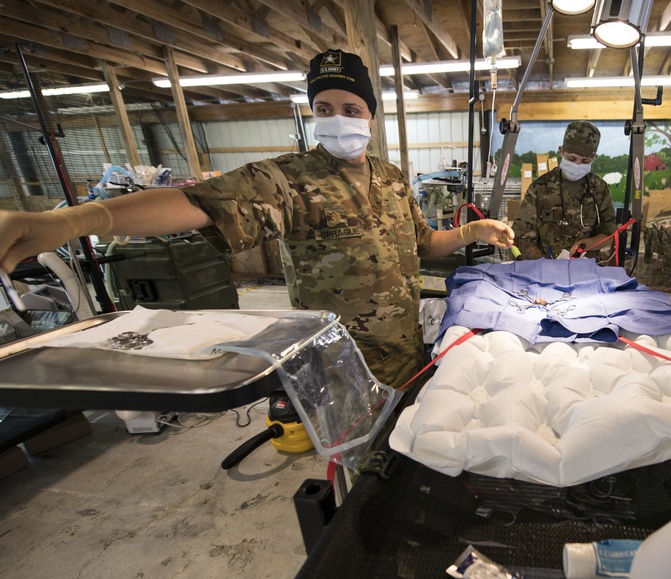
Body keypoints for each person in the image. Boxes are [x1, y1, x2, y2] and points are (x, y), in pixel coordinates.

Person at [0, 49, 513, 388]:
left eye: (352, 107)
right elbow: (199, 203)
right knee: (356, 476)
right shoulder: (286, 180)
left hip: (402, 353)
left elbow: (424, 244)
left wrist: (469, 231)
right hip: (338, 362)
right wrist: (76, 221)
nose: (340, 118)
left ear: (371, 114)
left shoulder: (394, 178)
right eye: (325, 106)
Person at [511, 121, 617, 259]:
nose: (577, 165)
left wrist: (588, 243)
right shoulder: (540, 188)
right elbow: (522, 236)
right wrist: (542, 264)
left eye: (585, 161)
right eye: (571, 158)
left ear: (594, 158)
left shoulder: (599, 188)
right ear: (561, 151)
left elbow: (609, 234)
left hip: (586, 270)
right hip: (545, 269)